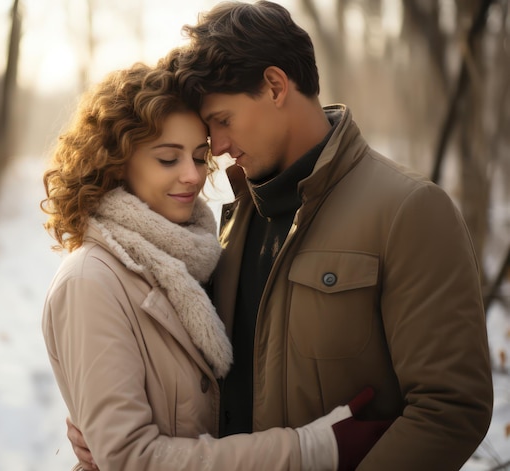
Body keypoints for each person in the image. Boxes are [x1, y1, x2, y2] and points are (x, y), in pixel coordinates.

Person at [67, 1, 494, 470]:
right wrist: (115, 441)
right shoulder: (224, 226)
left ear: (274, 86)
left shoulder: (408, 210)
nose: (219, 148)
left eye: (223, 121)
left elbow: (451, 408)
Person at [41, 62, 389, 470]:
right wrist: (310, 449)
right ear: (116, 164)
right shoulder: (92, 281)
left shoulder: (193, 256)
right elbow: (131, 458)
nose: (192, 176)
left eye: (200, 156)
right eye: (168, 159)